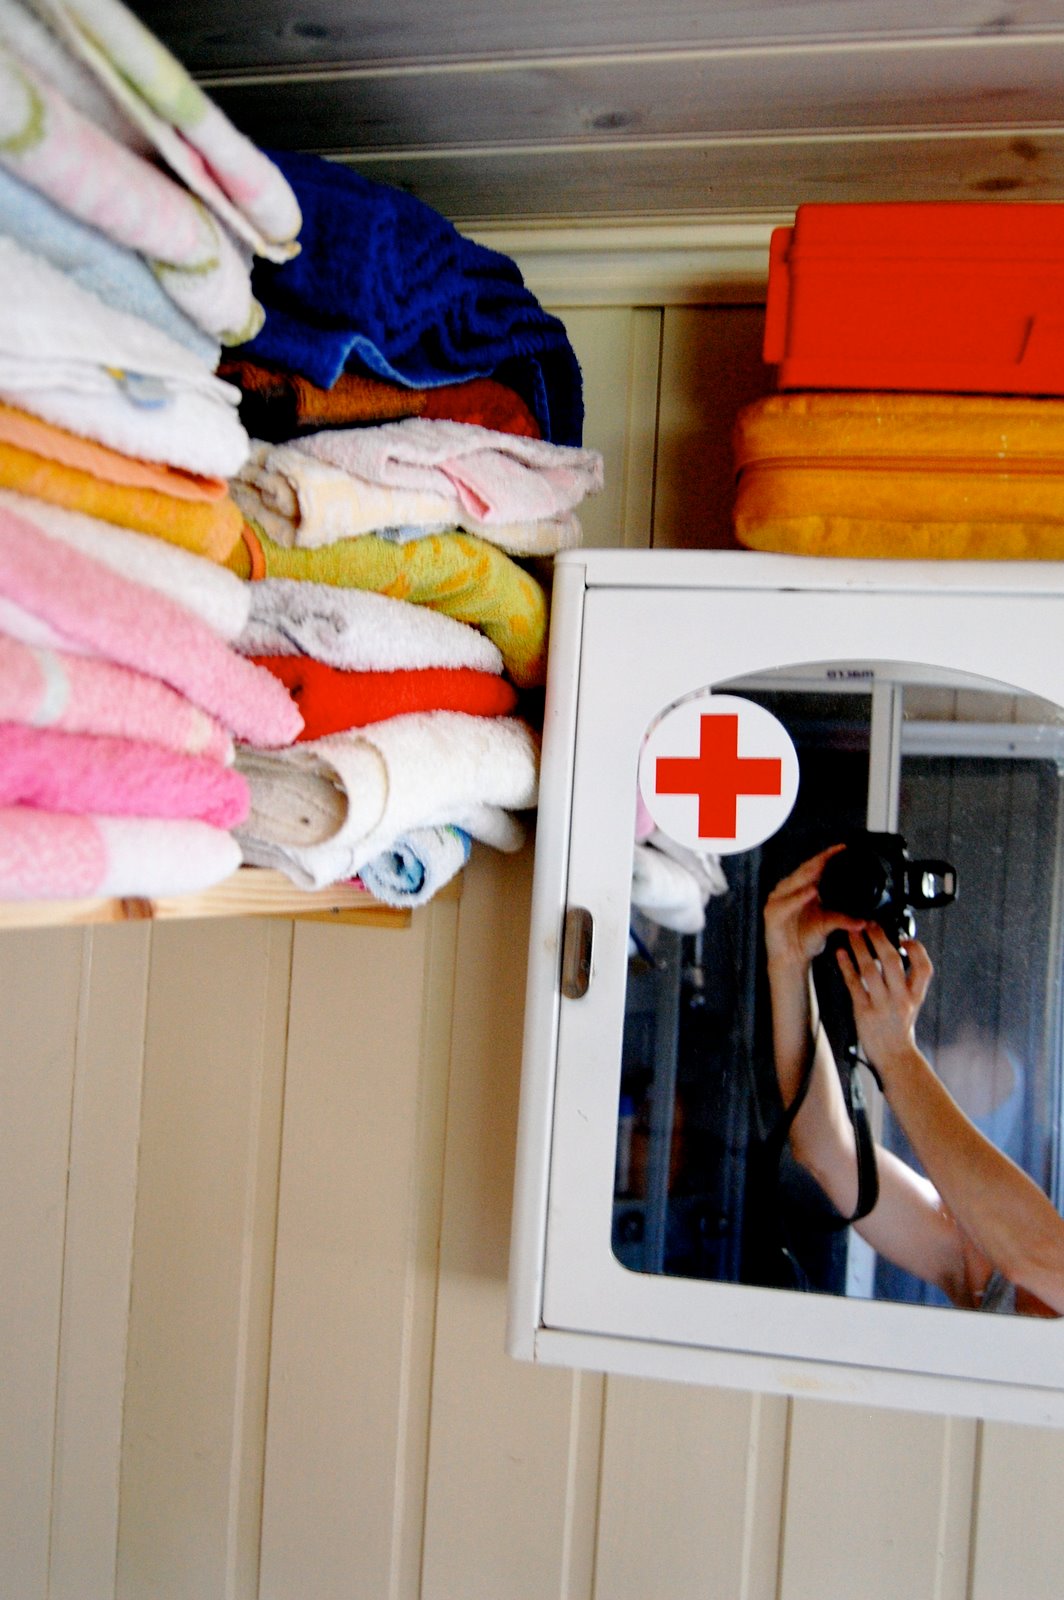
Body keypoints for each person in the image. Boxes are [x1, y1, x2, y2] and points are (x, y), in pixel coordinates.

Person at [764, 845, 1064, 1317]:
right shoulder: (989, 1273)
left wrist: (897, 1057)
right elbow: (827, 1152)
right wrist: (789, 963)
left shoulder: (1021, 1260)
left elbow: (1034, 1255)